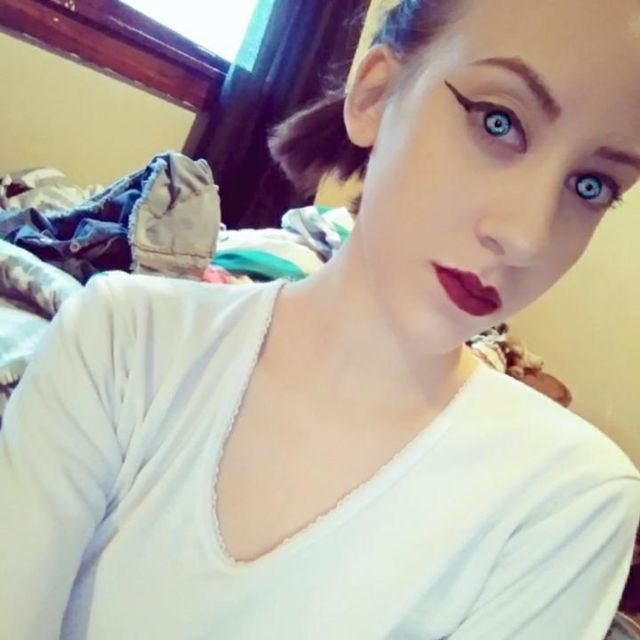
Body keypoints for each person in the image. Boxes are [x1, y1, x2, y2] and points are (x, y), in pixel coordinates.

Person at [2, 0, 640, 637]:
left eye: (591, 185)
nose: (526, 238)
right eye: (499, 122)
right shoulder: (122, 339)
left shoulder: (571, 498)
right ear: (375, 94)